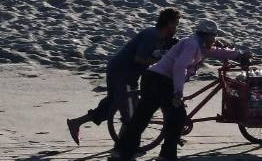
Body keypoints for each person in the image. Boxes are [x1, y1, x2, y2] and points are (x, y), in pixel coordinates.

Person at [109, 20, 248, 161]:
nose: (214, 39)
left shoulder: (199, 44)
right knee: (172, 117)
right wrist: (178, 93)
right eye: (213, 36)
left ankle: (123, 152)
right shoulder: (192, 44)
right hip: (159, 81)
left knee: (146, 117)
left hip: (155, 78)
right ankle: (162, 155)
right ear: (207, 35)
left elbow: (216, 52)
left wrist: (239, 55)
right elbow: (179, 67)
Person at [66, 8, 180, 145]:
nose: (177, 28)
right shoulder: (151, 35)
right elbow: (139, 58)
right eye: (176, 24)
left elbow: (175, 45)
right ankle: (124, 146)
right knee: (131, 112)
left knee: (113, 103)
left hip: (126, 73)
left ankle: (76, 123)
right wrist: (159, 60)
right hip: (122, 72)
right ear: (169, 23)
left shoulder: (162, 38)